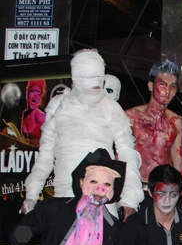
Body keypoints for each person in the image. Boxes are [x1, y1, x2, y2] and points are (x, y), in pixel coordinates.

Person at [22, 49, 143, 219]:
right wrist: (32, 193)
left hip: (103, 196)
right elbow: (46, 155)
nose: (96, 84)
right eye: (90, 78)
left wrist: (130, 198)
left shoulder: (111, 108)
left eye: (99, 78)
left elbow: (127, 153)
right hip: (65, 194)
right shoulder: (58, 106)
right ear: (77, 78)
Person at [126, 60, 182, 190]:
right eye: (163, 84)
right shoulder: (131, 117)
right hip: (134, 187)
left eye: (172, 86)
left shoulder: (175, 121)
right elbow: (120, 154)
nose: (167, 90)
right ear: (150, 86)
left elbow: (179, 162)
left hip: (163, 190)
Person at [21, 79, 46, 145]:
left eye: (38, 94)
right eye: (32, 91)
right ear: (27, 95)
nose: (35, 95)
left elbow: (52, 139)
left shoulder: (41, 117)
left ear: (39, 99)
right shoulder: (25, 113)